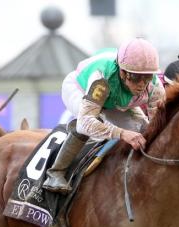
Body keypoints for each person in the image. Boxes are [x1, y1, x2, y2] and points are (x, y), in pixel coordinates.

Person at [43, 37, 166, 194]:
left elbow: (158, 126)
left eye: (147, 76)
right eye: (135, 77)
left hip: (114, 100)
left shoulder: (155, 86)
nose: (142, 84)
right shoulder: (102, 78)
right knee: (91, 125)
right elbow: (85, 122)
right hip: (78, 88)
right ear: (122, 72)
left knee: (142, 128)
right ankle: (56, 173)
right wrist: (121, 133)